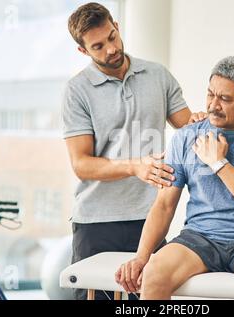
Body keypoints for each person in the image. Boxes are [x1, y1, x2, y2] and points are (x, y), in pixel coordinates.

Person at [116, 56, 234, 300]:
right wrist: (141, 257)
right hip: (199, 238)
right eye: (210, 94)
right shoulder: (186, 137)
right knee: (154, 273)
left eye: (225, 99)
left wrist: (219, 163)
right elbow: (165, 205)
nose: (213, 105)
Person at [62, 2, 205, 300]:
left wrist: (203, 120)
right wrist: (134, 166)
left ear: (116, 25)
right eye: (98, 46)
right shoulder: (77, 91)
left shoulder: (157, 75)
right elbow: (82, 164)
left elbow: (186, 126)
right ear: (83, 51)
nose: (110, 49)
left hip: (149, 219)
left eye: (112, 37)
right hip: (96, 223)